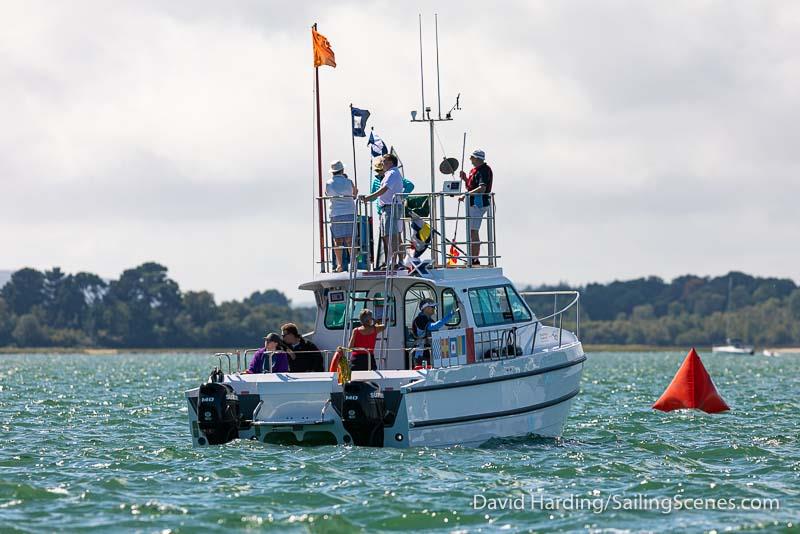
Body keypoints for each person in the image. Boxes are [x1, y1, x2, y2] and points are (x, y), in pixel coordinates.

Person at [362, 153, 404, 269]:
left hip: (391, 207)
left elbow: (384, 189)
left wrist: (369, 198)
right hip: (387, 208)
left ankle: (396, 262)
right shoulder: (390, 173)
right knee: (388, 235)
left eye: (384, 161)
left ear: (390, 162)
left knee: (392, 235)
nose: (382, 164)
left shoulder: (392, 173)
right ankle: (393, 261)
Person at [458, 149, 493, 266]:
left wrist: (466, 195)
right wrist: (465, 179)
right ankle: (472, 258)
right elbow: (472, 185)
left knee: (474, 231)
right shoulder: (475, 170)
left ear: (478, 159)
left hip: (478, 204)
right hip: (472, 204)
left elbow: (482, 188)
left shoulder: (484, 170)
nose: (470, 160)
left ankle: (474, 259)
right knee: (471, 231)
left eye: (472, 157)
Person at [325, 160, 358, 272]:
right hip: (349, 211)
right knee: (350, 240)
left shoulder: (328, 183)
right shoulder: (349, 181)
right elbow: (354, 195)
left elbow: (327, 194)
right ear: (342, 170)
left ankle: (339, 265)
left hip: (335, 213)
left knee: (337, 240)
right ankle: (353, 263)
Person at [411, 299, 455, 367]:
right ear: (426, 308)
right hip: (421, 353)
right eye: (433, 307)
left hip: (428, 352)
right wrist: (448, 316)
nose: (434, 308)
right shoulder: (420, 319)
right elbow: (434, 326)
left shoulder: (429, 319)